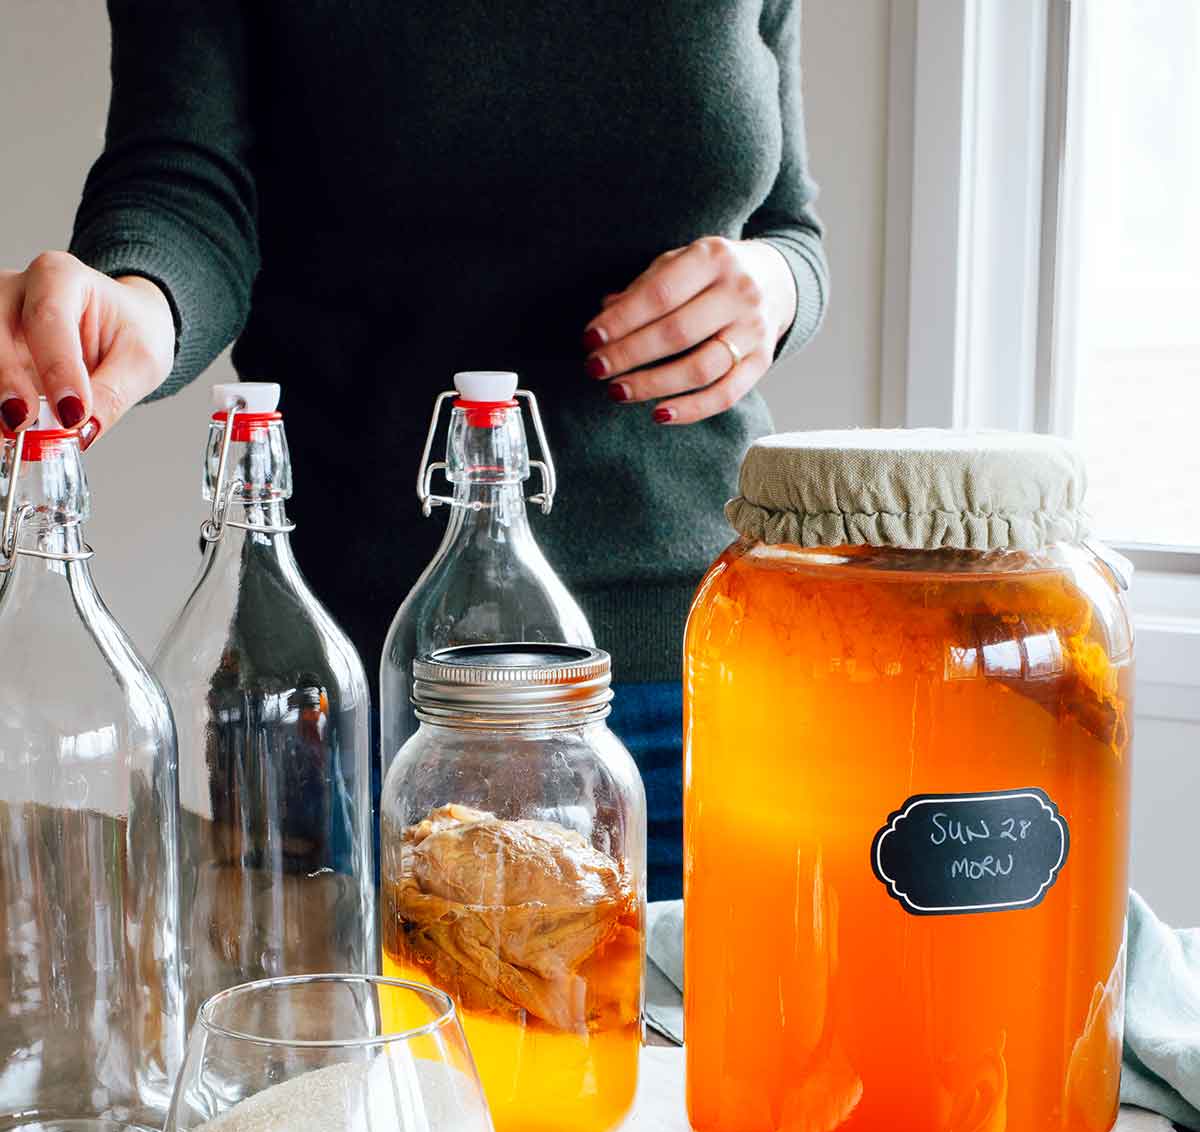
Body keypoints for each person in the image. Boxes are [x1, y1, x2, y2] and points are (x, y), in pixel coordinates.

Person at [0, 1, 826, 900]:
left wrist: (777, 289)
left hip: (700, 663)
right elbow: (185, 184)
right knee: (348, 995)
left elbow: (787, 223)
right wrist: (138, 301)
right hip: (356, 687)